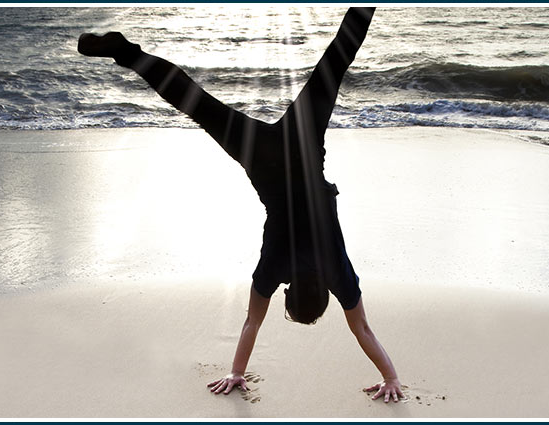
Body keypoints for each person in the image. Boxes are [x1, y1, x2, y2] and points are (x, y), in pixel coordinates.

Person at [78, 7, 403, 403]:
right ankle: (126, 53)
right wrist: (235, 372)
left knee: (336, 61)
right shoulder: (274, 270)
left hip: (301, 145)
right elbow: (252, 321)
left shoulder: (337, 273)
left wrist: (391, 376)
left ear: (324, 291)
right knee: (194, 102)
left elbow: (363, 330)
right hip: (261, 159)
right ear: (287, 291)